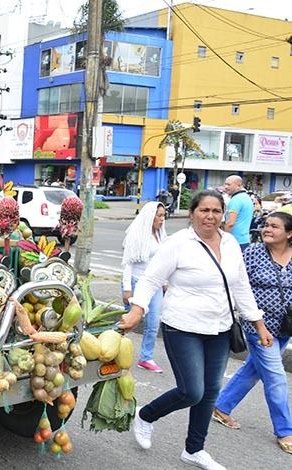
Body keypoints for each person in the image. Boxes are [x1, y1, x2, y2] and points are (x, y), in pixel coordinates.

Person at [119, 190, 272, 470]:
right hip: (183, 326)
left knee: (211, 390)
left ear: (222, 215)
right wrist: (137, 309)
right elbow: (152, 279)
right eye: (204, 210)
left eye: (216, 211)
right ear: (192, 214)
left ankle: (194, 449)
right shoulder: (179, 243)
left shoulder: (230, 244)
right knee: (192, 391)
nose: (210, 216)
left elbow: (240, 287)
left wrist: (258, 323)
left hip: (220, 328)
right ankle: (146, 415)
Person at [213, 211, 292, 454]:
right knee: (276, 376)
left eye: (274, 227)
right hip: (258, 325)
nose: (267, 229)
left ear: (289, 234)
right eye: (266, 225)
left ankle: (221, 407)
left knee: (254, 369)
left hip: (285, 325)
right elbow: (235, 283)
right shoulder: (254, 253)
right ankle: (285, 430)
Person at [121, 202, 168, 373]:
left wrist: (164, 283)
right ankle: (114, 348)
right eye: (159, 215)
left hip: (154, 284)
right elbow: (128, 264)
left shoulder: (161, 236)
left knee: (154, 322)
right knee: (129, 322)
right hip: (136, 283)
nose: (162, 219)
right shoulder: (137, 234)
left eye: (164, 215)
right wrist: (127, 288)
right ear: (150, 216)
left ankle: (146, 357)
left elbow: (162, 262)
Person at [223, 175, 254, 251]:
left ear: (238, 186)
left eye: (229, 184)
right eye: (225, 184)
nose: (226, 187)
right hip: (244, 240)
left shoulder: (236, 200)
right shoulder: (246, 197)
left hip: (235, 241)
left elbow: (230, 223)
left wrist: (223, 239)